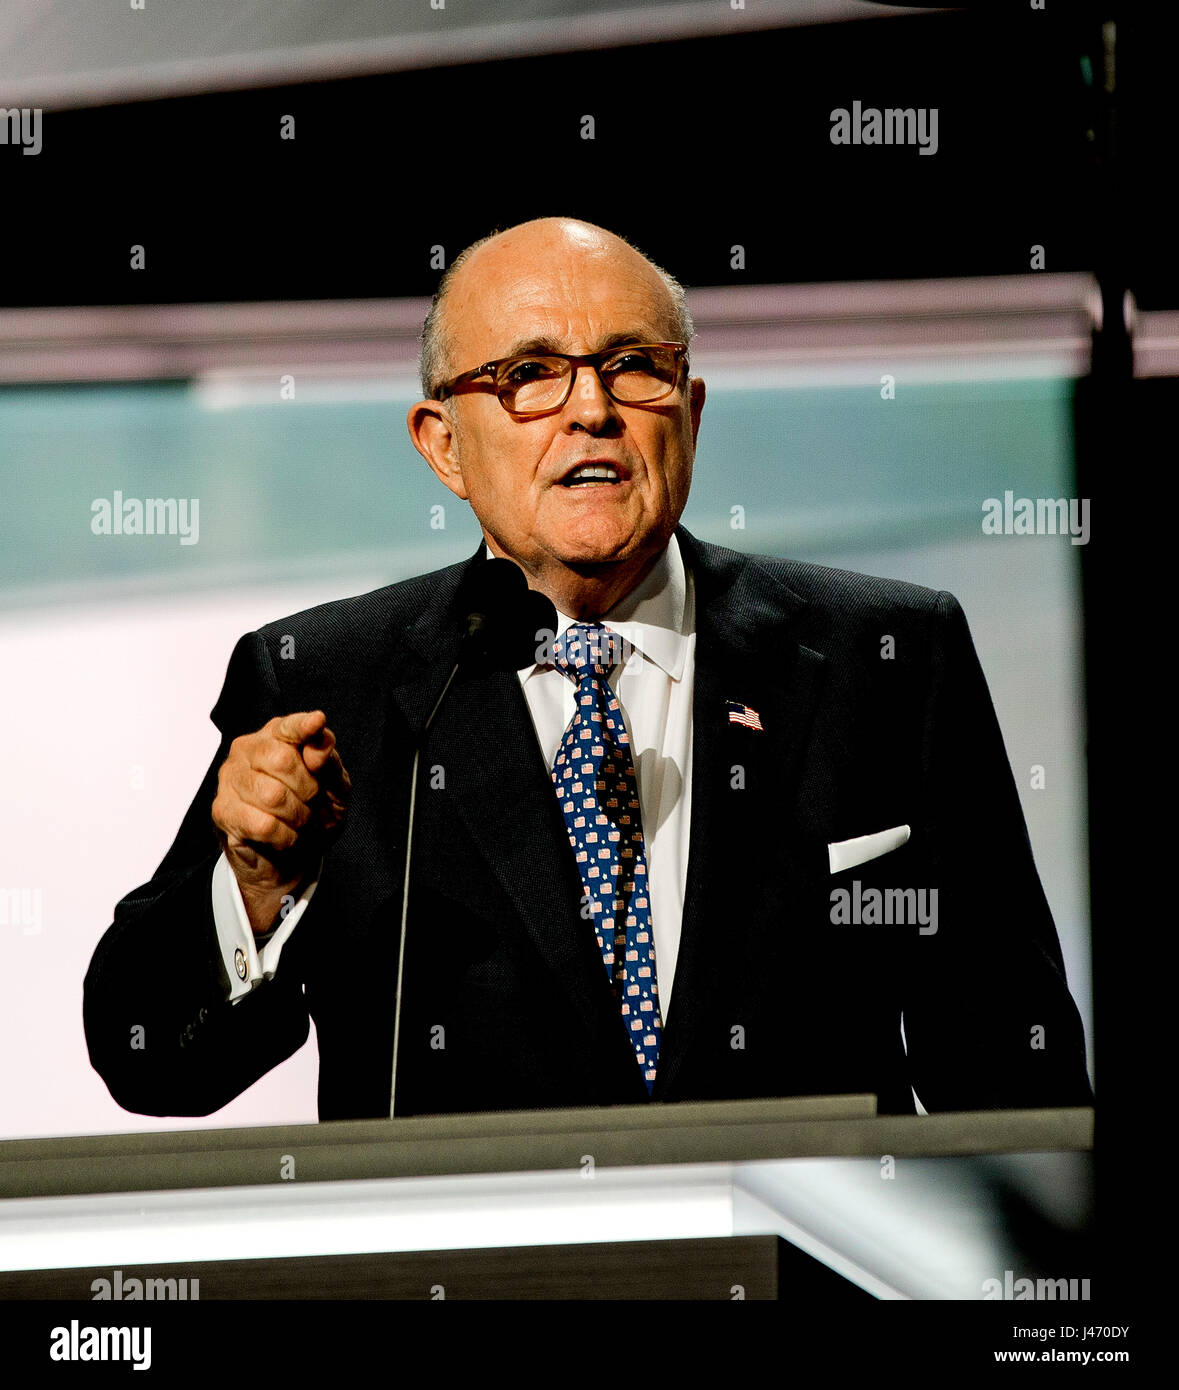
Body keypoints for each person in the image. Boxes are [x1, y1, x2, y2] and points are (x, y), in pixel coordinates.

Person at [83, 217, 1094, 1122]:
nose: (594, 410)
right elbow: (144, 1055)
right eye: (529, 376)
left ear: (690, 410)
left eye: (632, 366)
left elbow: (1016, 1067)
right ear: (442, 444)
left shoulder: (884, 658)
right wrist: (253, 886)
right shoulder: (328, 682)